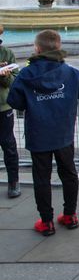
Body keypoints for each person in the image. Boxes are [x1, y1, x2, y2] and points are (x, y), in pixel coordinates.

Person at [7, 30, 79, 236]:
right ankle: (70, 215)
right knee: (69, 173)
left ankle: (46, 221)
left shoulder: (26, 74)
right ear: (59, 47)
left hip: (38, 132)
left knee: (42, 177)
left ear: (37, 48)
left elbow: (14, 101)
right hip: (63, 131)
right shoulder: (71, 72)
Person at [0, 25, 21, 198]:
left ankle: (13, 181)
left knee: (8, 145)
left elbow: (14, 81)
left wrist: (5, 75)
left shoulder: (7, 53)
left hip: (3, 107)